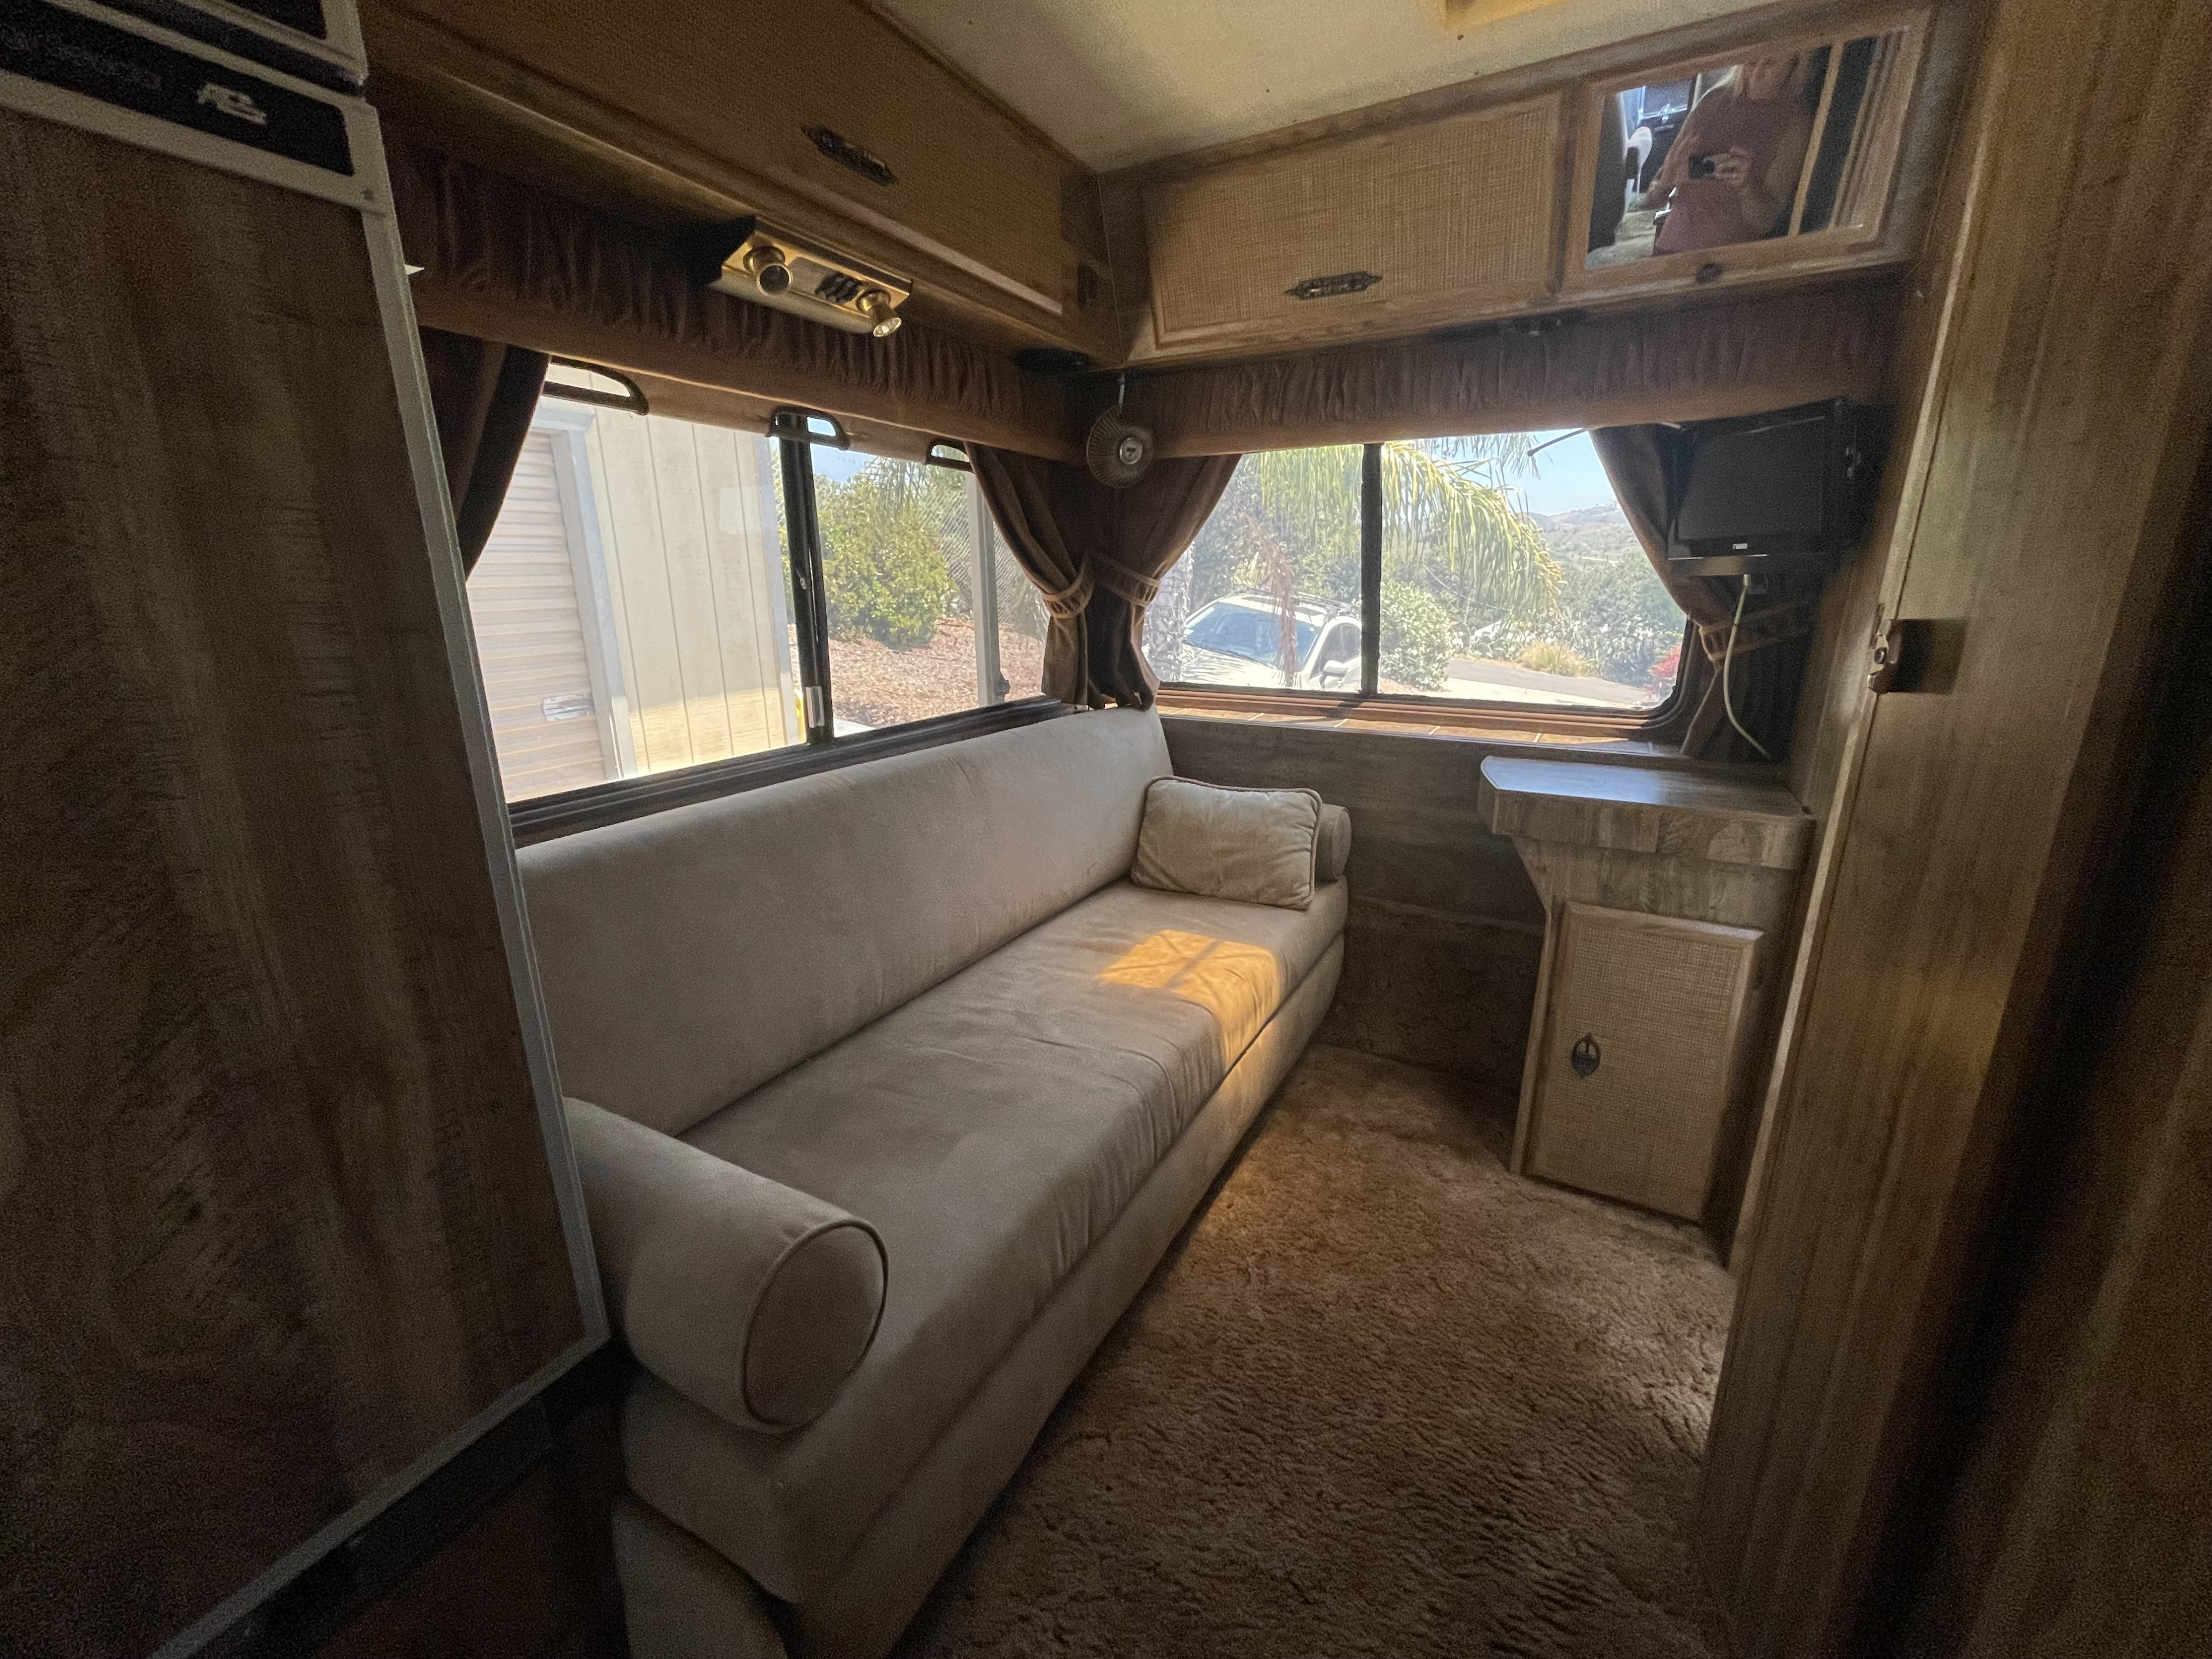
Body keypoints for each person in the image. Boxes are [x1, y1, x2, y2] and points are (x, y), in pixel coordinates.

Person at [1645, 54, 1816, 255]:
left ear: (1794, 62)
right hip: (1673, 247)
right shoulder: (1711, 103)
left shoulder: (1796, 123)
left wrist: (1747, 187)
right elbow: (1651, 200)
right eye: (1751, 62)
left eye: (1771, 62)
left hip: (1730, 259)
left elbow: (1766, 223)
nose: (1757, 74)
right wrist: (1669, 180)